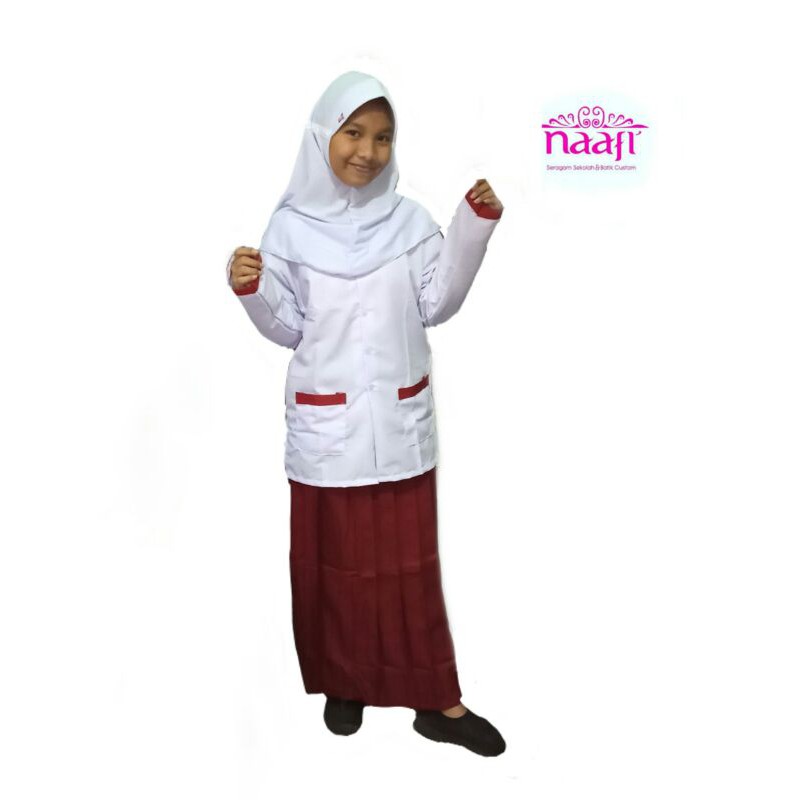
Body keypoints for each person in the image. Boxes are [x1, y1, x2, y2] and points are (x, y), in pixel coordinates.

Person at [226, 71, 506, 757]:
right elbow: (289, 328)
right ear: (323, 136)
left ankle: (436, 703)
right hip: (328, 433)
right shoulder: (289, 230)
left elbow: (435, 303)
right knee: (336, 568)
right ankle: (344, 682)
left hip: (401, 427)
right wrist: (254, 290)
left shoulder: (409, 223)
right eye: (353, 133)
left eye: (383, 137)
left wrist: (470, 230)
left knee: (410, 572)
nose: (368, 151)